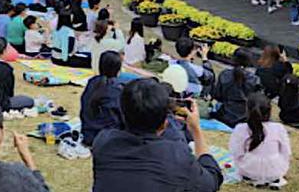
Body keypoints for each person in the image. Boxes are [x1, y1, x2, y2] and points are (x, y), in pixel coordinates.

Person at [91, 78, 222, 192]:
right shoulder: (176, 155)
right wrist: (196, 130)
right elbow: (212, 181)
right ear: (164, 123)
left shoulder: (103, 142)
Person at [229, 92, 291, 188]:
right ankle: (271, 179)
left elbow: (236, 153)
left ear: (247, 110)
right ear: (270, 110)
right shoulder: (279, 128)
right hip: (275, 171)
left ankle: (254, 178)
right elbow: (286, 152)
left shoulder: (241, 129)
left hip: (248, 170)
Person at [80, 51, 124, 146]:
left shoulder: (92, 82)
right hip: (108, 139)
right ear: (118, 69)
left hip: (88, 134)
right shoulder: (116, 89)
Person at [212, 48, 261, 128]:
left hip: (226, 115)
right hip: (245, 117)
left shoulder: (224, 74)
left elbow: (218, 96)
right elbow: (257, 101)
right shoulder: (254, 79)